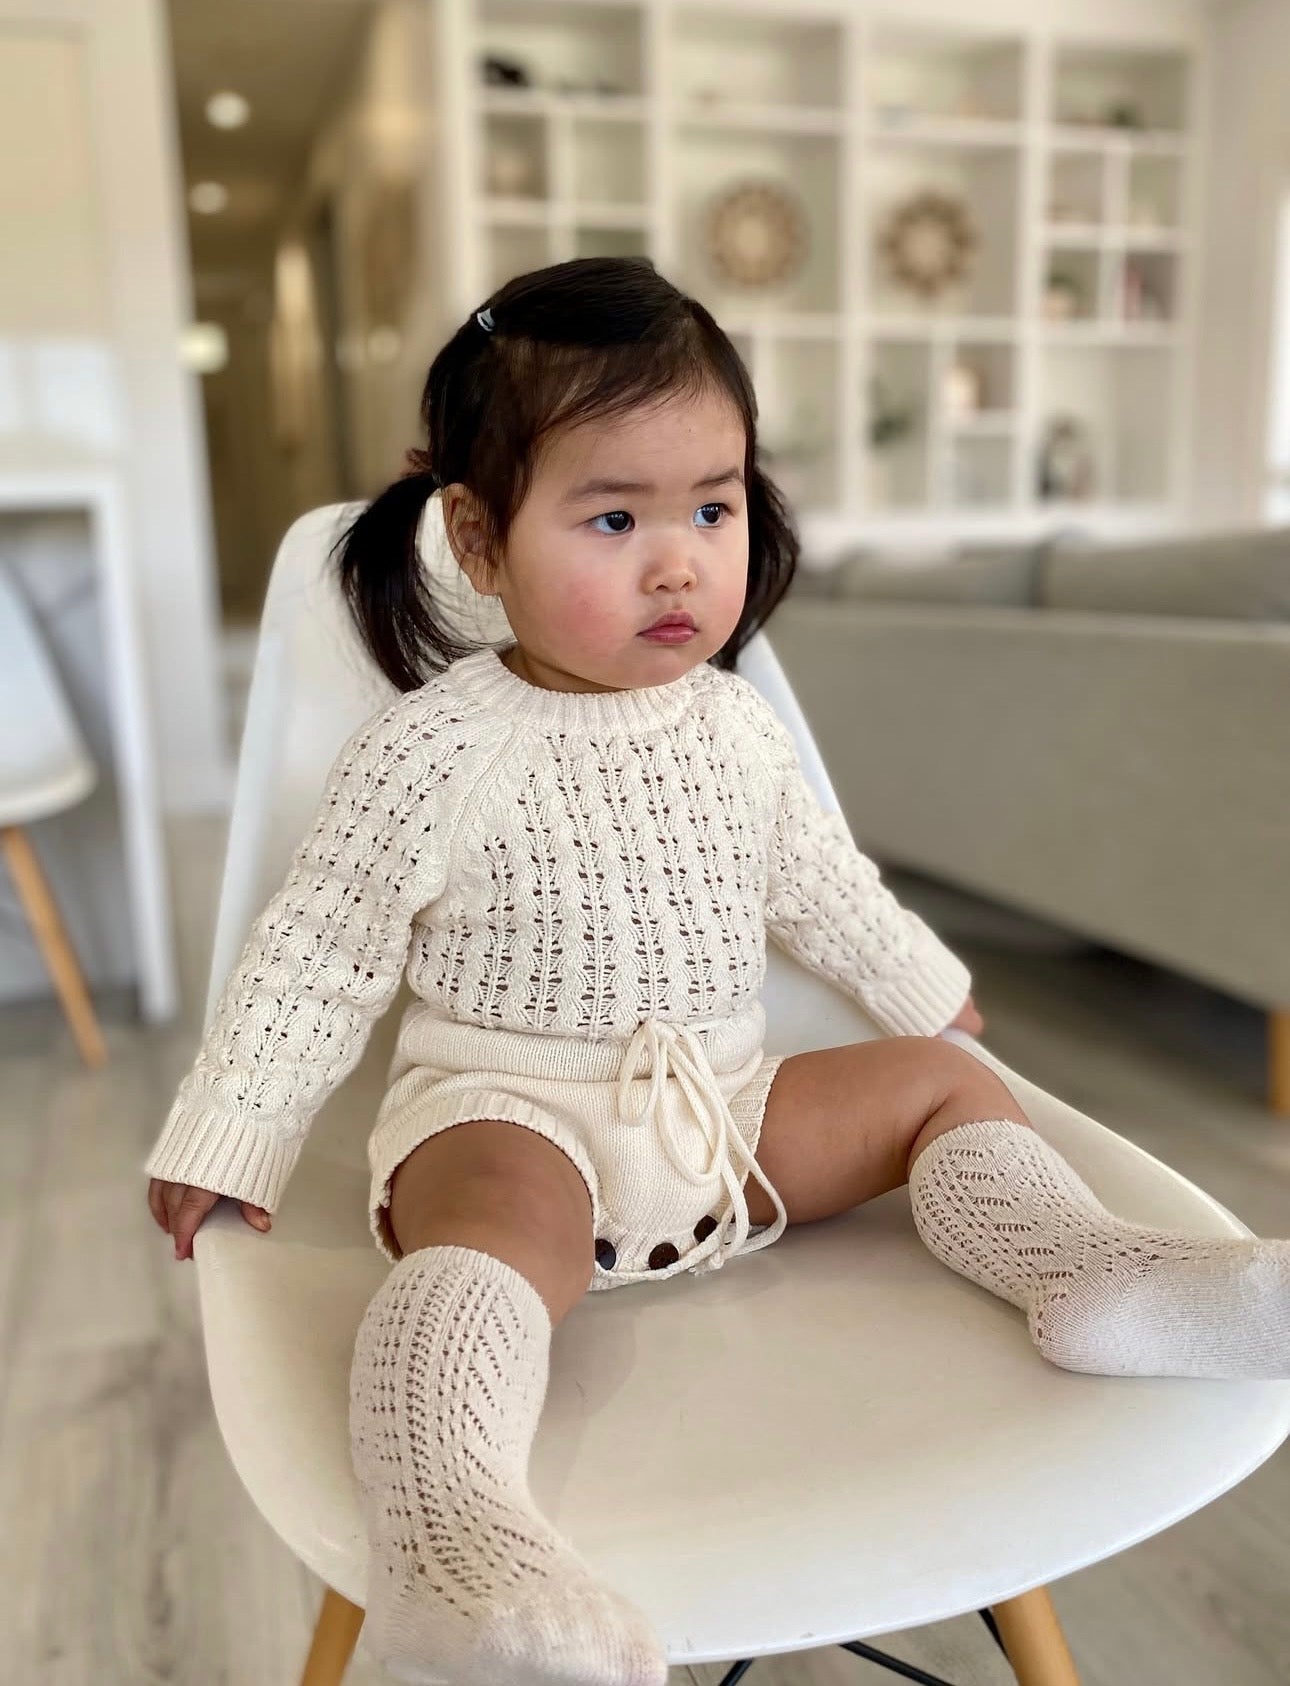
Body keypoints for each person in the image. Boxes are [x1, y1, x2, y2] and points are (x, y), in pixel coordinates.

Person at [143, 257, 1289, 1686]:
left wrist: (922, 988)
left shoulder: (737, 728)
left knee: (939, 1085)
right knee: (490, 1230)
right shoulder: (432, 748)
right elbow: (318, 948)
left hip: (724, 1115)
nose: (678, 561)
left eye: (712, 507)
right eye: (613, 517)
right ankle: (453, 1533)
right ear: (480, 539)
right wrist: (233, 1127)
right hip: (510, 1111)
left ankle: (1088, 1273)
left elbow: (821, 885)